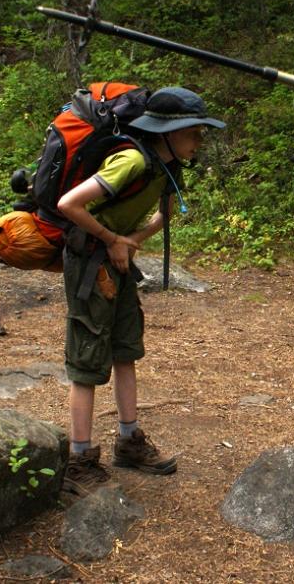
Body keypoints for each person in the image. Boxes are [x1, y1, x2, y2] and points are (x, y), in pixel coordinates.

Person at [56, 86, 225, 494]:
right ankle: (78, 459)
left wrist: (131, 239)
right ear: (167, 131)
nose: (198, 140)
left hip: (117, 262)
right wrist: (112, 239)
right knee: (87, 361)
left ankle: (129, 441)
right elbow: (69, 204)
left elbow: (163, 215)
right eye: (193, 131)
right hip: (89, 262)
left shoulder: (168, 168)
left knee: (125, 350)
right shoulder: (131, 160)